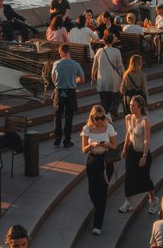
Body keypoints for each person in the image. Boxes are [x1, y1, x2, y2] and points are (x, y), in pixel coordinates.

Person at [81, 103, 118, 235]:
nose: (100, 121)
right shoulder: (87, 129)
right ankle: (99, 210)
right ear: (92, 118)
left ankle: (98, 224)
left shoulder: (109, 128)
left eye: (102, 118)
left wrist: (107, 144)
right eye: (97, 118)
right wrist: (92, 145)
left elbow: (115, 146)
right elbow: (83, 149)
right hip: (92, 160)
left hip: (105, 162)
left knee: (102, 191)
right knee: (92, 191)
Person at [121, 94, 155, 215]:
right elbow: (128, 134)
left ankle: (153, 200)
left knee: (144, 178)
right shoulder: (128, 118)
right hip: (131, 151)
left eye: (133, 105)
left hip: (142, 152)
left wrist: (144, 156)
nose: (131, 107)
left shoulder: (145, 121)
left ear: (140, 107)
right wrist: (124, 149)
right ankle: (128, 202)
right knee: (129, 176)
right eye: (130, 105)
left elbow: (146, 140)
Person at [50, 44, 83, 148]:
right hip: (70, 92)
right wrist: (74, 80)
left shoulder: (56, 64)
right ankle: (67, 140)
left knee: (57, 115)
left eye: (59, 52)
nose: (59, 54)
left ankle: (57, 138)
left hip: (59, 91)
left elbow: (53, 77)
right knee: (69, 116)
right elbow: (82, 79)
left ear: (62, 52)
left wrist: (58, 84)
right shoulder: (76, 64)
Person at [91, 33, 124, 120]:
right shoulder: (116, 51)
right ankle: (110, 113)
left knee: (104, 101)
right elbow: (120, 66)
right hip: (114, 80)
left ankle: (105, 118)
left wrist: (92, 76)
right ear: (113, 41)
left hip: (102, 80)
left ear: (104, 41)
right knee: (116, 98)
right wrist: (124, 74)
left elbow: (95, 65)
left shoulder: (99, 51)